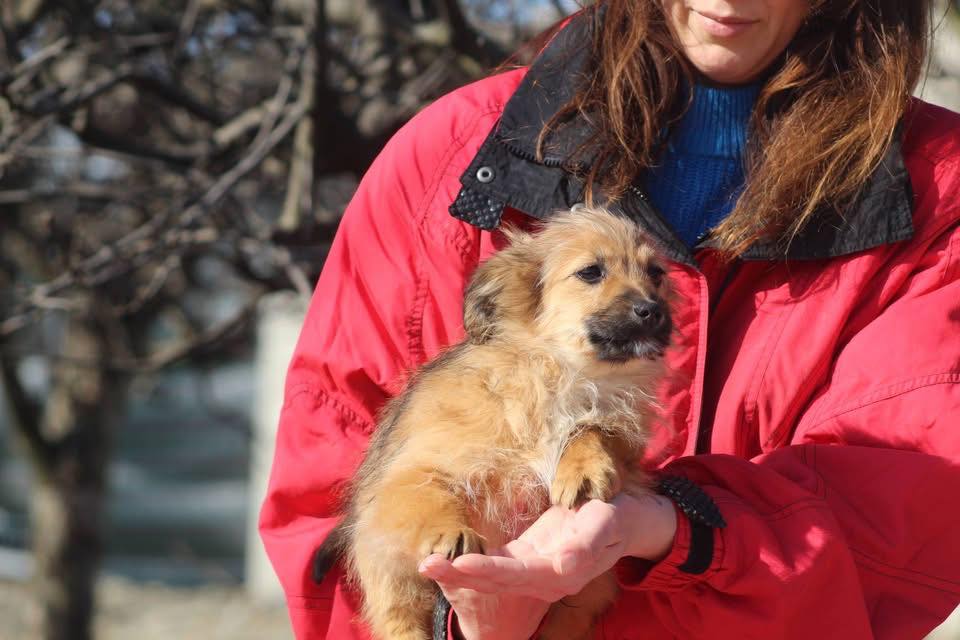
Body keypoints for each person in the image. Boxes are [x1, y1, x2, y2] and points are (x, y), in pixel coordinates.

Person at [259, 1, 960, 638]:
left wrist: (676, 530)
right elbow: (337, 482)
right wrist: (459, 614)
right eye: (594, 274)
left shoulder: (939, 188)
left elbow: (906, 511)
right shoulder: (449, 154)